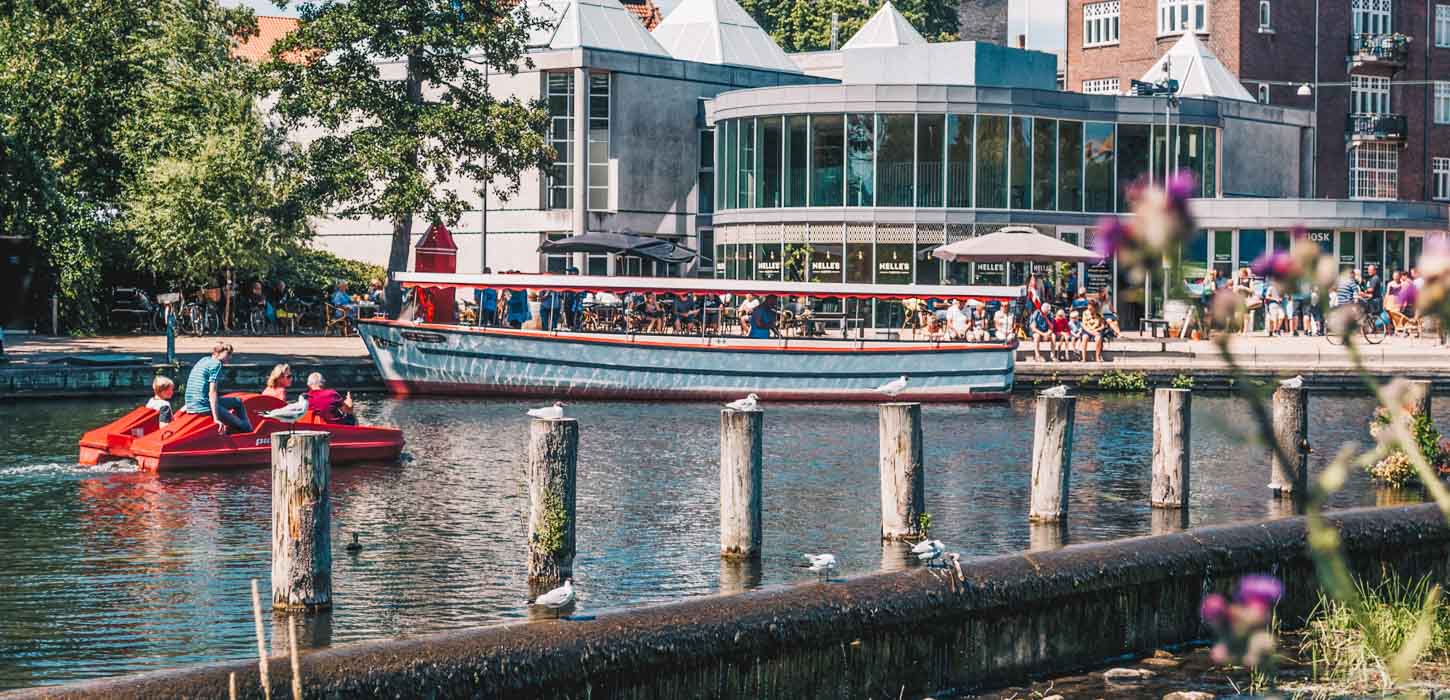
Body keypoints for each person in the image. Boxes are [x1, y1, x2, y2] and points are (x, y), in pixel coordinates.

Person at [181, 342, 252, 435]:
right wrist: (216, 418)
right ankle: (248, 432)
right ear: (218, 353)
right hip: (204, 406)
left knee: (238, 402)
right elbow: (212, 392)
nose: (230, 357)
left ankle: (234, 429)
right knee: (243, 425)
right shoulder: (216, 364)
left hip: (192, 404)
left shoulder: (203, 360)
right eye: (228, 354)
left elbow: (193, 385)